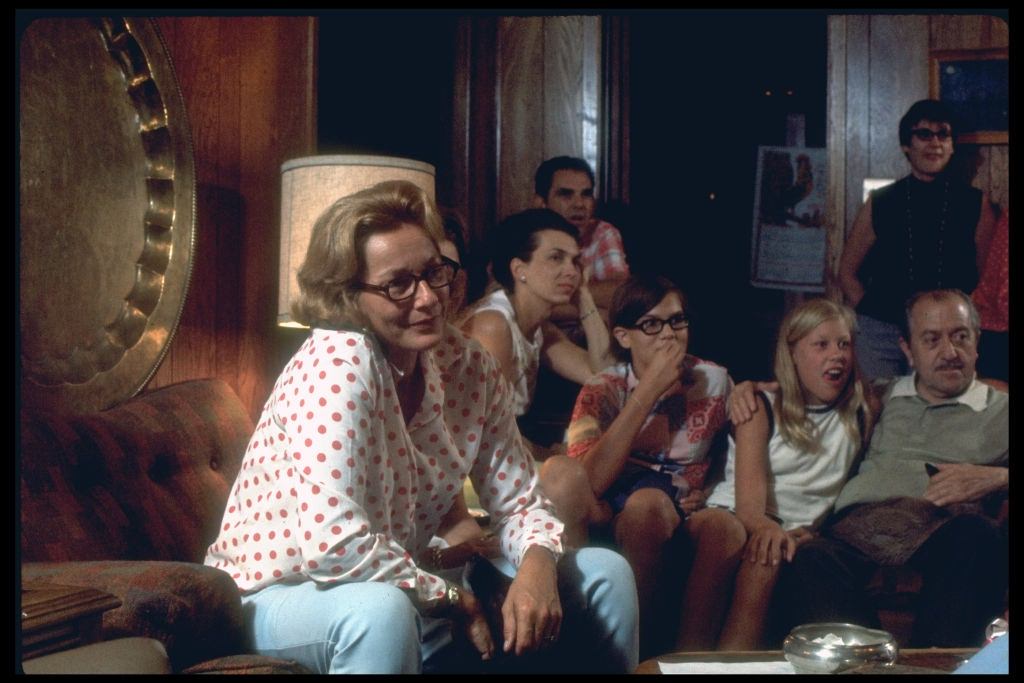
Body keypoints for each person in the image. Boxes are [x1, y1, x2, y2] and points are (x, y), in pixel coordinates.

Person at [203, 180, 638, 674]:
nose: (429, 298)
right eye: (398, 285)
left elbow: (520, 502)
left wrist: (537, 565)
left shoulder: (469, 364)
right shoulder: (337, 362)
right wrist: (453, 596)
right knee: (379, 610)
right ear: (349, 296)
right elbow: (333, 545)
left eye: (435, 273)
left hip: (400, 579)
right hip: (277, 594)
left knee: (606, 571)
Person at [771, 289, 1008, 648]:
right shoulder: (875, 395)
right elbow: (799, 393)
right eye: (932, 340)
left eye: (961, 337)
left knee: (978, 537)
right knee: (809, 559)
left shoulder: (1001, 409)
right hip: (856, 530)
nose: (950, 352)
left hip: (943, 527)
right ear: (907, 351)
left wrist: (997, 476)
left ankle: (935, 667)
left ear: (977, 343)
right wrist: (753, 392)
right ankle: (875, 666)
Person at [539, 275, 737, 657]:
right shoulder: (603, 386)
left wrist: (711, 492)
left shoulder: (714, 380)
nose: (669, 335)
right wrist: (647, 393)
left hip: (673, 503)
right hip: (608, 500)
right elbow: (588, 480)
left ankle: (672, 657)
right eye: (652, 324)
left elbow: (732, 455)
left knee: (672, 511)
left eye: (677, 321)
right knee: (582, 479)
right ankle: (620, 650)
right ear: (624, 336)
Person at [703, 298, 872, 650]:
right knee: (744, 540)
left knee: (768, 557)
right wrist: (768, 528)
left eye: (844, 344)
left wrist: (809, 531)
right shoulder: (762, 405)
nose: (837, 354)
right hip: (739, 516)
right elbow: (749, 507)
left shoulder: (861, 410)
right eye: (821, 344)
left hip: (788, 533)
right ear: (792, 353)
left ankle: (732, 665)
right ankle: (692, 655)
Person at [838, 99, 997, 379]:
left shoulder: (975, 203)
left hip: (944, 335)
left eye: (943, 134)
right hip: (882, 333)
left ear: (952, 145)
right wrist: (871, 315)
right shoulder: (882, 201)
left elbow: (985, 280)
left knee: (938, 413)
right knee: (883, 412)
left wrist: (957, 326)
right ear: (906, 146)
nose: (934, 143)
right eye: (924, 134)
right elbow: (847, 272)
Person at [461, 208, 613, 421]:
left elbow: (603, 373)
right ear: (519, 269)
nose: (571, 271)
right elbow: (490, 429)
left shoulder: (540, 329)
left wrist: (584, 296)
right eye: (556, 258)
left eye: (575, 261)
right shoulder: (492, 325)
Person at [533, 156, 630, 317]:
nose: (579, 204)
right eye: (565, 194)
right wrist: (592, 309)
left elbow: (620, 293)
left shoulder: (601, 232)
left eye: (586, 194)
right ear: (541, 203)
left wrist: (546, 299)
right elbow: (511, 304)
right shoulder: (520, 235)